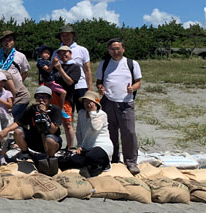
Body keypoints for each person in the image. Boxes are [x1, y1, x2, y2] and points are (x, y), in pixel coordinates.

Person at [95, 38, 142, 175]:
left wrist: (132, 88)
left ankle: (131, 161)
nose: (115, 51)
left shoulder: (132, 63)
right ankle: (114, 159)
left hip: (126, 102)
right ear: (109, 50)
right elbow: (99, 81)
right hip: (108, 101)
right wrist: (100, 88)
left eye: (118, 48)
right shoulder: (104, 64)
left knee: (129, 132)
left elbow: (138, 81)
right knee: (110, 132)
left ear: (123, 49)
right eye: (112, 49)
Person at [0, 86, 63, 162]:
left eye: (44, 97)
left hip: (50, 141)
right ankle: (25, 153)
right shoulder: (32, 109)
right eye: (38, 97)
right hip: (35, 140)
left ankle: (50, 157)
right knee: (17, 131)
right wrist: (6, 130)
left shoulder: (55, 109)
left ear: (50, 99)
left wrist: (44, 114)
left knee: (50, 140)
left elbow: (53, 130)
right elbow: (18, 123)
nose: (41, 100)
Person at [58, 91, 112, 177]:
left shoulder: (102, 114)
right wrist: (80, 145)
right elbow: (79, 131)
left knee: (92, 156)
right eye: (85, 101)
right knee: (69, 161)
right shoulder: (81, 113)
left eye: (89, 102)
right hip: (87, 148)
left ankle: (105, 164)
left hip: (102, 146)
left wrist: (93, 112)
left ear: (95, 103)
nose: (87, 104)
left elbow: (96, 128)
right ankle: (90, 165)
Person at [53, 24, 93, 111]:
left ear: (73, 35)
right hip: (63, 88)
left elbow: (87, 70)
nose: (65, 37)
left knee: (84, 112)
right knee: (66, 114)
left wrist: (90, 88)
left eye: (68, 34)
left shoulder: (82, 50)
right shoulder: (55, 52)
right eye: (63, 35)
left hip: (80, 86)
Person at [51, 45, 81, 151]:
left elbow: (70, 81)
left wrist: (60, 69)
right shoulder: (55, 66)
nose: (63, 55)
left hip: (67, 99)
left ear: (70, 53)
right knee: (52, 123)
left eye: (65, 53)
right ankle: (52, 146)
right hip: (53, 98)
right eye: (60, 53)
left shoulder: (75, 67)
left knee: (67, 124)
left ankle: (70, 147)